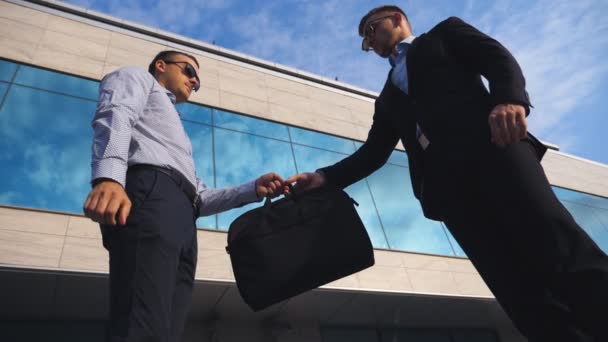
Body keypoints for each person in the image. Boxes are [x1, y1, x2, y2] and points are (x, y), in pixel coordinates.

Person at [287, 6, 608, 341]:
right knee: (514, 290)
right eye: (364, 42)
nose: (369, 43)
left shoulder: (444, 36)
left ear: (396, 19)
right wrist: (323, 177)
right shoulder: (386, 100)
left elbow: (497, 58)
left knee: (557, 244)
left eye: (370, 29)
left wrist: (508, 100)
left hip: (496, 152)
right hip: (452, 195)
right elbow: (373, 153)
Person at [83, 50, 285, 342]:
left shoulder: (174, 128)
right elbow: (116, 112)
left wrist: (252, 189)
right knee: (140, 323)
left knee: (167, 330)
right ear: (161, 66)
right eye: (189, 70)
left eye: (198, 80)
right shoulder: (137, 76)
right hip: (151, 195)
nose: (194, 81)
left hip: (183, 215)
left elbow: (199, 197)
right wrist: (109, 177)